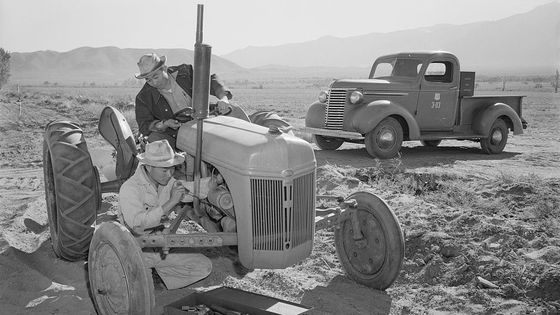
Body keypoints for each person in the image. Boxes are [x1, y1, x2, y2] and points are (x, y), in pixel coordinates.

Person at [118, 139, 212, 289]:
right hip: (135, 248)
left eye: (172, 168)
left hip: (158, 243)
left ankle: (158, 270)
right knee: (136, 286)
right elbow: (138, 225)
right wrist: (171, 202)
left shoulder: (166, 181)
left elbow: (190, 190)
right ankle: (147, 270)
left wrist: (214, 184)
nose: (169, 174)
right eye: (164, 170)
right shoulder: (130, 188)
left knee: (204, 266)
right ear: (148, 167)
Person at [134, 53, 232, 148]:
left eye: (156, 77)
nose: (154, 82)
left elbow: (209, 80)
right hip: (175, 136)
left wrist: (224, 98)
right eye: (148, 80)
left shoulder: (185, 73)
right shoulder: (143, 98)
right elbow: (144, 125)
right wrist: (164, 124)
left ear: (164, 68)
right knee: (155, 139)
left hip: (204, 123)